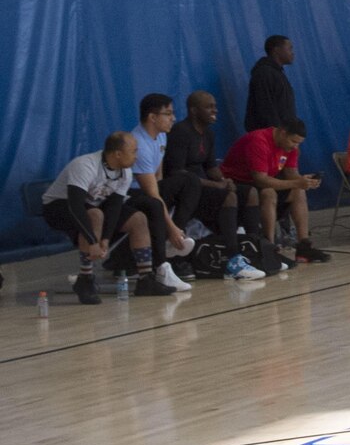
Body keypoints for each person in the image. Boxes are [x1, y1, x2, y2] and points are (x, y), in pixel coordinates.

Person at [42, 134, 179, 302]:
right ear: (118, 154)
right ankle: (85, 280)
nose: (137, 156)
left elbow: (114, 207)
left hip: (93, 206)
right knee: (94, 215)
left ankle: (146, 280)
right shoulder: (85, 165)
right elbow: (76, 206)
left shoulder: (125, 173)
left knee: (138, 219)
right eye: (133, 151)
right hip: (58, 206)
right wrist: (93, 242)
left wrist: (106, 238)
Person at [164, 91, 261, 281]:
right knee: (228, 196)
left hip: (205, 187)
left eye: (215, 106)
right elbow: (178, 173)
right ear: (193, 110)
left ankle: (254, 250)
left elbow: (210, 167)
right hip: (186, 193)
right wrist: (217, 186)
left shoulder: (208, 133)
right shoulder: (181, 132)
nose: (215, 110)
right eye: (209, 106)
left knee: (250, 192)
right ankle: (233, 261)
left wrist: (225, 180)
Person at [221, 119, 329, 267]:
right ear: (282, 133)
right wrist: (297, 182)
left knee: (298, 191)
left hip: (260, 183)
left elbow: (291, 173)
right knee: (269, 193)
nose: (295, 146)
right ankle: (269, 247)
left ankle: (303, 246)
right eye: (293, 141)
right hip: (236, 184)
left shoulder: (290, 148)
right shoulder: (259, 141)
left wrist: (305, 181)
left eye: (298, 143)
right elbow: (260, 180)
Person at [129, 93, 197, 287]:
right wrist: (171, 227)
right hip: (131, 194)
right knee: (155, 204)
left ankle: (171, 240)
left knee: (190, 181)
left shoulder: (161, 136)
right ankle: (162, 263)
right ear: (152, 117)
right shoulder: (139, 144)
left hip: (150, 189)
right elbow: (151, 191)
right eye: (168, 114)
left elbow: (158, 180)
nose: (173, 118)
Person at [245, 34, 297, 131]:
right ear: (276, 50)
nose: (293, 53)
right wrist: (276, 135)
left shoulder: (277, 73)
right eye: (289, 49)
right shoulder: (264, 73)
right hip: (271, 137)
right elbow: (265, 108)